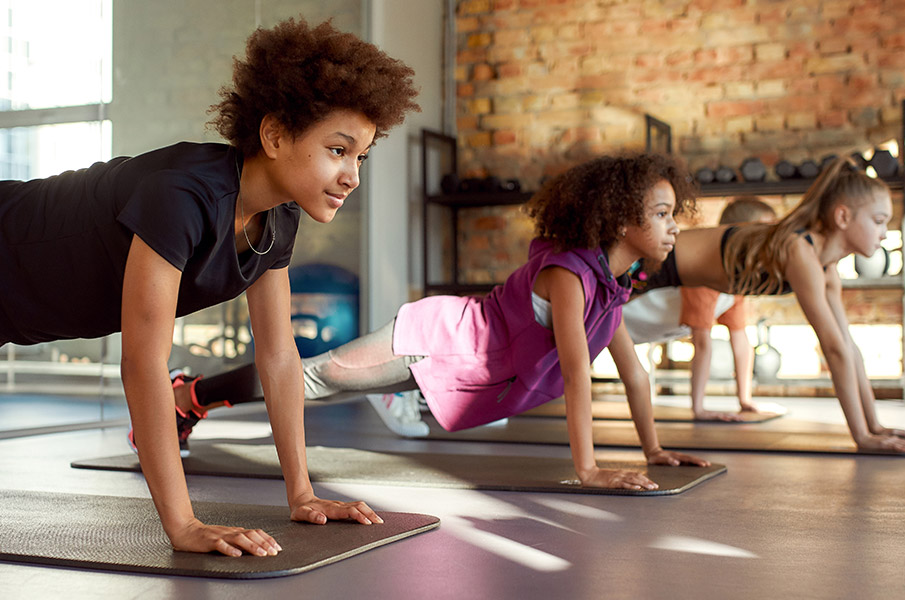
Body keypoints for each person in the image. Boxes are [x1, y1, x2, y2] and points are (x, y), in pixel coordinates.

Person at [0, 18, 420, 557]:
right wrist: (183, 525)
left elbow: (279, 356)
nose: (352, 176)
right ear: (274, 135)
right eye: (338, 150)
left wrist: (303, 494)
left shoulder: (278, 221)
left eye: (360, 156)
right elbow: (143, 363)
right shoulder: (185, 196)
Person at [164, 153, 712, 490]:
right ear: (619, 219)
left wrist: (654, 449)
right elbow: (574, 374)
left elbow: (635, 375)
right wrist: (589, 471)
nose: (672, 229)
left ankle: (194, 399)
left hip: (464, 367)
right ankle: (186, 396)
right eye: (662, 214)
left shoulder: (610, 289)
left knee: (314, 389)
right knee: (311, 379)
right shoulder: (570, 276)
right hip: (437, 341)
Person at [632, 156, 905, 452]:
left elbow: (847, 346)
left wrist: (875, 427)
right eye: (879, 221)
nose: (884, 233)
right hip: (645, 265)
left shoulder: (826, 268)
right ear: (842, 217)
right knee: (589, 339)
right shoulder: (799, 250)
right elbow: (833, 348)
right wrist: (862, 438)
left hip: (661, 273)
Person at [624, 197, 776, 421]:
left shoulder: (737, 281)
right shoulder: (704, 272)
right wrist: (699, 409)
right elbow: (702, 343)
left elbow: (740, 339)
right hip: (622, 321)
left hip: (640, 331)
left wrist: (745, 400)